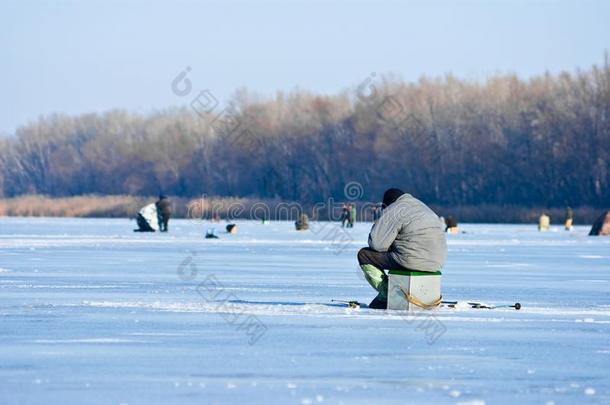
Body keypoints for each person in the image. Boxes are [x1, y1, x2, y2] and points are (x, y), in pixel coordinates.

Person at [357, 188, 447, 309]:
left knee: (364, 255)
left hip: (411, 260)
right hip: (436, 263)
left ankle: (388, 293)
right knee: (400, 254)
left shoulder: (394, 209)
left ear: (386, 204)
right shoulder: (422, 206)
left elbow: (377, 244)